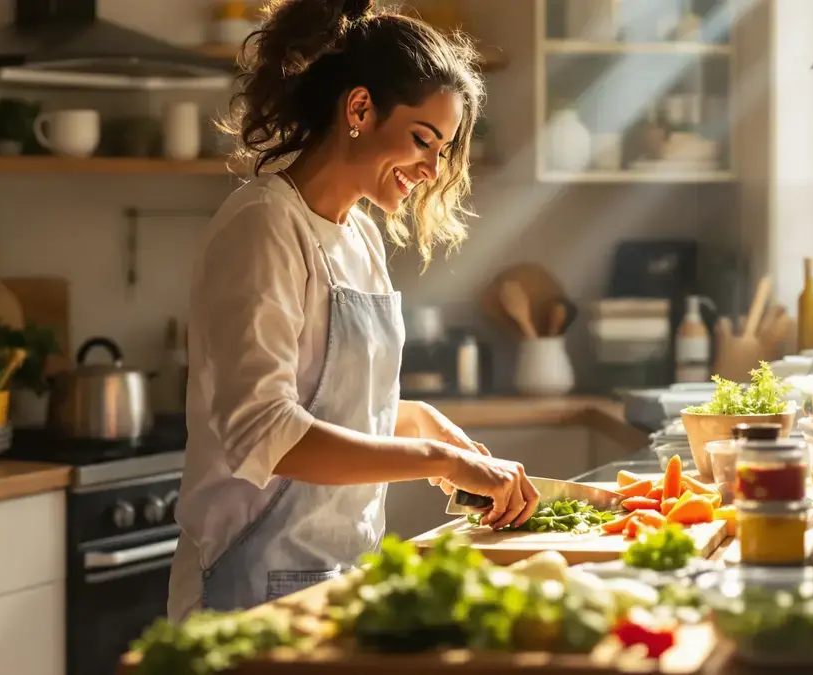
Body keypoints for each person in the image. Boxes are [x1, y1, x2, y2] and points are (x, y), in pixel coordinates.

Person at [166, 0, 539, 621]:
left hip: (341, 573)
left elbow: (331, 402)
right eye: (424, 140)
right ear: (360, 109)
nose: (430, 169)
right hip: (249, 587)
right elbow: (266, 432)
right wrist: (439, 461)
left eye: (443, 150)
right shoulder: (264, 225)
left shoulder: (359, 235)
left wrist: (422, 424)